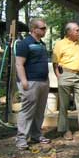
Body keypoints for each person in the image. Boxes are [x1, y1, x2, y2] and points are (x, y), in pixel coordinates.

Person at [52, 22, 79, 140]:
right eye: (77, 30)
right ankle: (65, 130)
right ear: (69, 32)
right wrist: (58, 76)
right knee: (64, 105)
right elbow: (55, 62)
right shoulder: (60, 44)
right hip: (65, 74)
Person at [15, 18, 51, 150]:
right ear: (34, 29)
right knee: (27, 110)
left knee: (39, 111)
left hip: (43, 81)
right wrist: (24, 81)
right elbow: (19, 64)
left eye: (45, 28)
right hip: (30, 82)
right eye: (42, 28)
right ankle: (21, 138)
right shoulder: (25, 44)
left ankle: (36, 135)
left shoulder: (42, 44)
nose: (44, 30)